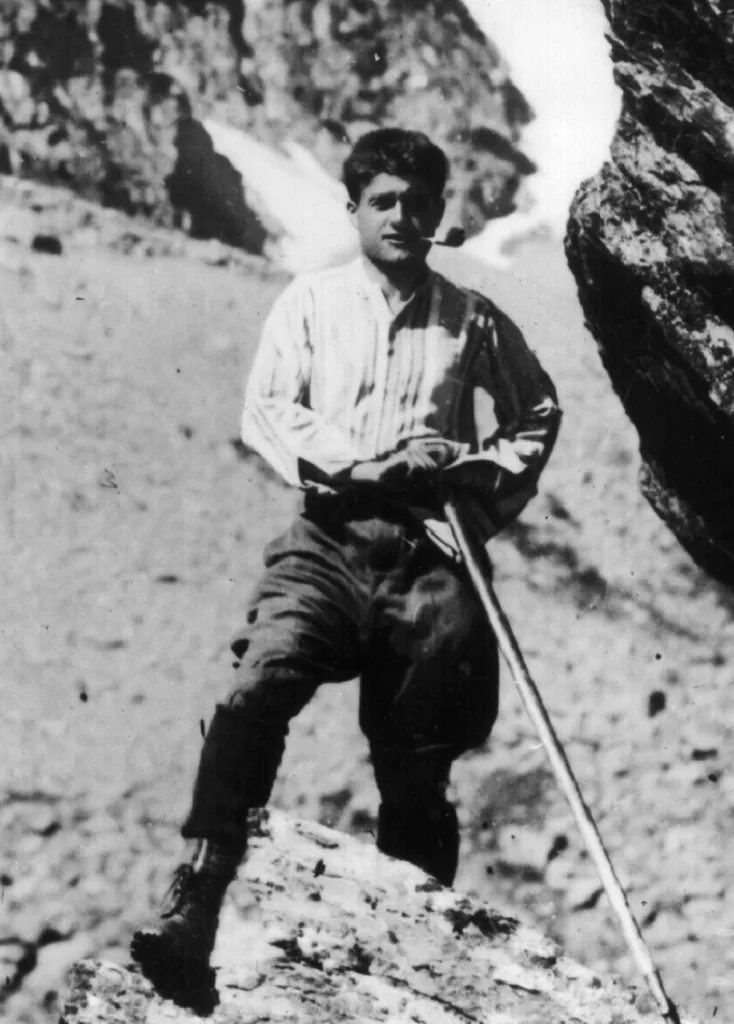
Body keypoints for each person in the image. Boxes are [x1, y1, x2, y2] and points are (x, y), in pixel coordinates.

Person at [131, 127, 561, 996]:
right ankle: (197, 901)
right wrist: (362, 467)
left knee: (417, 764)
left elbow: (538, 411)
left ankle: (413, 964)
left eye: (417, 202)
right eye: (383, 201)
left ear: (438, 212)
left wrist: (472, 481)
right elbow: (267, 408)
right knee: (260, 684)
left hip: (428, 556)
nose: (400, 216)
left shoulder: (472, 318)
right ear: (355, 210)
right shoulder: (311, 303)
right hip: (327, 539)